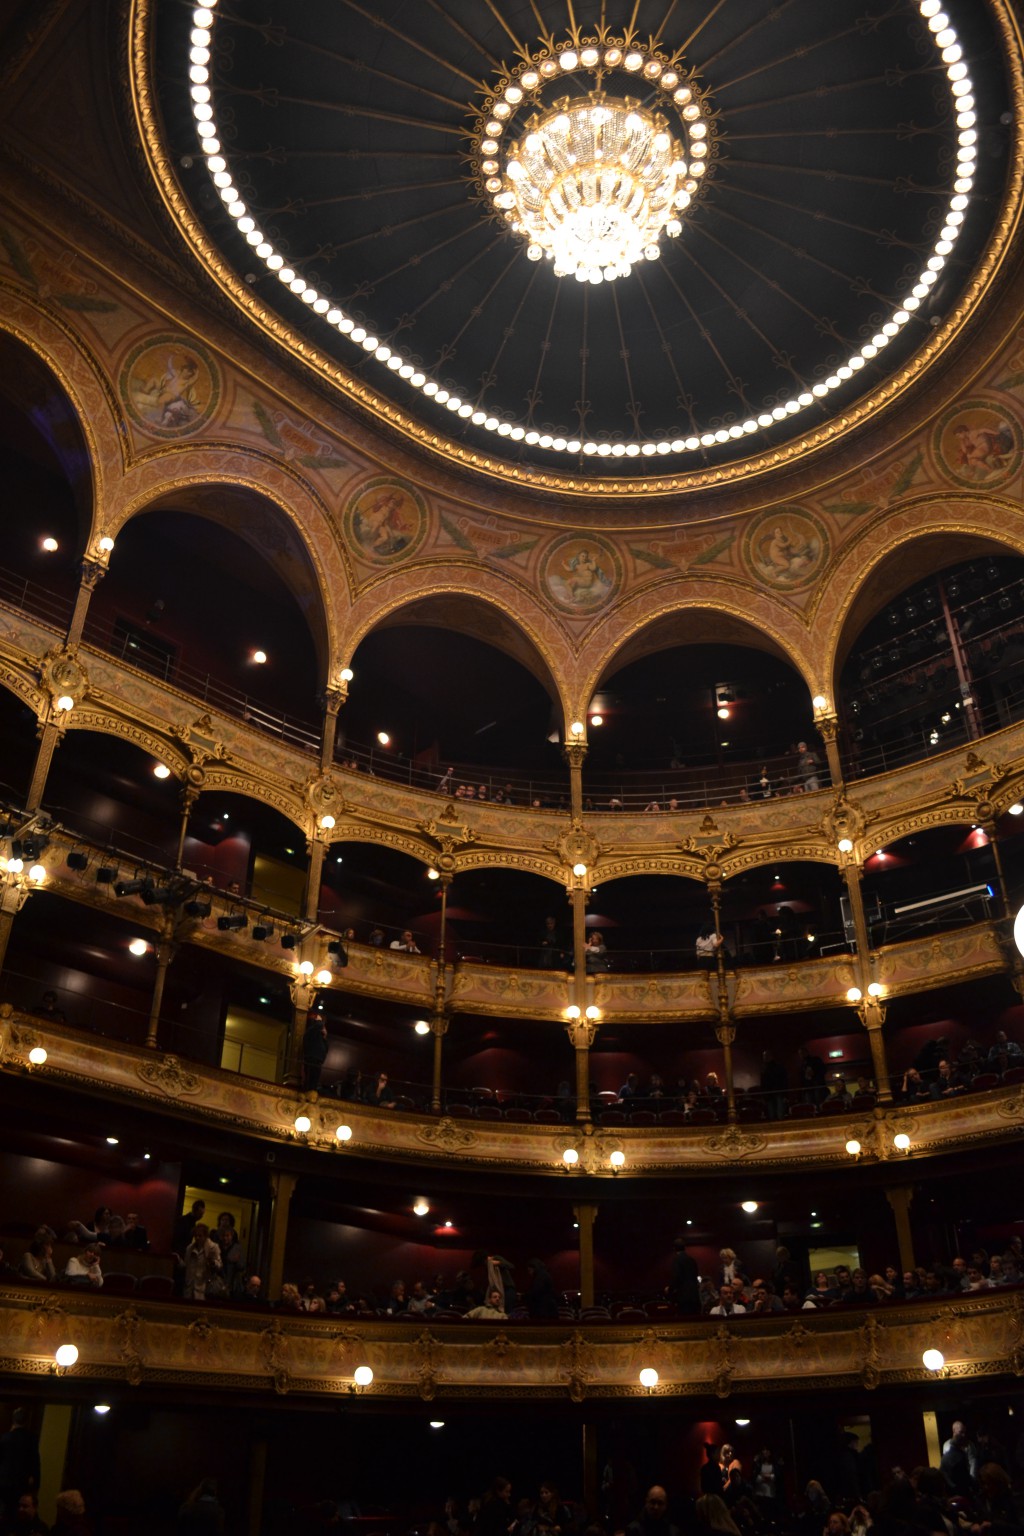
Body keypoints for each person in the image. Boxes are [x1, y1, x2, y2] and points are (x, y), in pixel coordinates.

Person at [0, 1411, 40, 1524]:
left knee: (4, 1513)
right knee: (19, 1514)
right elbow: (35, 1462)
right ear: (26, 1422)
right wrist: (36, 1484)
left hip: (3, 1483)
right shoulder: (31, 1438)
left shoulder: (5, 1438)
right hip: (22, 1482)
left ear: (13, 1420)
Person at [182, 1224, 222, 1300]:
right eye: (195, 1236)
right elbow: (186, 1264)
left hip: (204, 1285)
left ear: (205, 1236)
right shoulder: (190, 1248)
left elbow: (219, 1265)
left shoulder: (212, 1247)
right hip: (190, 1285)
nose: (197, 1238)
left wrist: (213, 1262)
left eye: (200, 1236)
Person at [668, 1237, 701, 1314]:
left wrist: (670, 1289)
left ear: (674, 1248)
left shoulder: (677, 1260)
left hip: (683, 1297)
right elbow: (696, 1275)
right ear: (685, 1247)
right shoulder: (692, 1260)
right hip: (695, 1295)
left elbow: (677, 1277)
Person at [303, 1013, 329, 1093]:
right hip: (311, 1060)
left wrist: (324, 1037)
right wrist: (319, 1020)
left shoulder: (320, 1038)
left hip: (318, 1061)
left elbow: (326, 1050)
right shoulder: (310, 1032)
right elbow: (318, 1026)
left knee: (314, 1083)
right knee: (309, 1082)